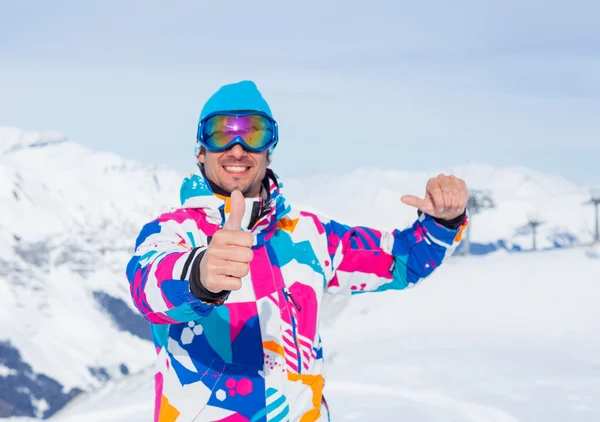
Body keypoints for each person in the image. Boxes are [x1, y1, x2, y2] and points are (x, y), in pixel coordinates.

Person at [126, 80, 469, 422]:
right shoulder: (173, 231)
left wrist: (443, 223)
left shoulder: (309, 233)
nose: (237, 148)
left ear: (268, 149)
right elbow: (148, 288)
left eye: (254, 133)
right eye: (220, 133)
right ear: (201, 150)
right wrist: (200, 275)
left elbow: (400, 263)